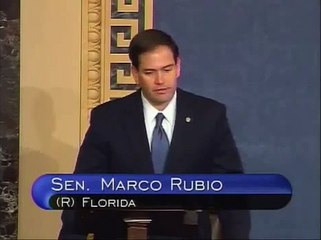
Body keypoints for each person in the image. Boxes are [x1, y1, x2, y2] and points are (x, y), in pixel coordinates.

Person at [59, 29, 250, 239]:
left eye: (167, 69)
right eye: (150, 72)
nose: (160, 80)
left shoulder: (209, 116)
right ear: (135, 73)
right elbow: (82, 191)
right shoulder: (108, 119)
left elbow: (232, 191)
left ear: (178, 67)